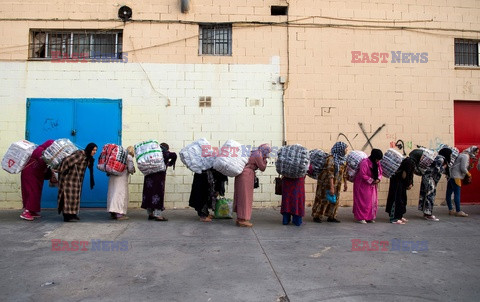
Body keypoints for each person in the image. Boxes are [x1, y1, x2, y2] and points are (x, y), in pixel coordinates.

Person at [57, 143, 97, 222]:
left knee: (75, 198)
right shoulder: (80, 155)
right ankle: (67, 216)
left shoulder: (87, 157)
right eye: (93, 150)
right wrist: (62, 171)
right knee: (67, 198)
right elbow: (66, 161)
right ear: (89, 149)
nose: (94, 152)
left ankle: (73, 214)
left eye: (96, 150)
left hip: (77, 181)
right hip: (69, 180)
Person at [233, 143, 272, 227]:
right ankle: (243, 219)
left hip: (240, 175)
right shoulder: (258, 154)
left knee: (240, 196)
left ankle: (239, 218)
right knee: (246, 197)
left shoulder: (253, 152)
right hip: (246, 176)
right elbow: (262, 167)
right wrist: (265, 159)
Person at [311, 142, 348, 223]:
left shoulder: (343, 160)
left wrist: (345, 183)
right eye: (345, 148)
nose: (346, 150)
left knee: (335, 199)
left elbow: (344, 173)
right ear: (340, 149)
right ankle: (317, 216)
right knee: (323, 199)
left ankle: (331, 216)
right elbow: (330, 173)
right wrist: (331, 187)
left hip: (337, 184)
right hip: (326, 183)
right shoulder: (331, 159)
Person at [19, 140, 54, 221]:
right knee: (31, 191)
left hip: (37, 175)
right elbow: (42, 162)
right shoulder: (40, 150)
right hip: (30, 174)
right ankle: (26, 212)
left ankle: (32, 211)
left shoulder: (43, 151)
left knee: (36, 192)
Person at [141, 143, 177, 221]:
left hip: (148, 177)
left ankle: (150, 214)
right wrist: (170, 163)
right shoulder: (164, 153)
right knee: (157, 194)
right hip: (159, 178)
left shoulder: (151, 152)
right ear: (166, 148)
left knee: (149, 194)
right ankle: (158, 215)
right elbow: (174, 155)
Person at [418, 148, 452, 221]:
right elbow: (436, 170)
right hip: (430, 179)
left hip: (427, 178)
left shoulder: (438, 157)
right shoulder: (441, 159)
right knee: (430, 196)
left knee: (426, 195)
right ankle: (428, 214)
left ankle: (426, 213)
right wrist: (444, 167)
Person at [446, 146, 478, 217]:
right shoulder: (465, 156)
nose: (476, 154)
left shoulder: (462, 154)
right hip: (456, 177)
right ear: (472, 151)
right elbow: (463, 168)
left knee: (449, 192)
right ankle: (458, 211)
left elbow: (464, 168)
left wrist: (471, 164)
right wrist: (469, 175)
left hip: (451, 176)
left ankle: (450, 210)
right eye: (476, 152)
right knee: (457, 193)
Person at [353, 149, 383, 224]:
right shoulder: (365, 162)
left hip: (372, 185)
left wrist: (378, 179)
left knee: (372, 201)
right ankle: (361, 217)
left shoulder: (377, 162)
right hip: (362, 185)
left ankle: (370, 217)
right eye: (377, 159)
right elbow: (363, 174)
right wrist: (371, 180)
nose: (377, 161)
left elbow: (380, 172)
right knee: (363, 201)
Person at [107, 146, 136, 220]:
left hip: (113, 177)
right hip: (121, 178)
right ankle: (119, 214)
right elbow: (130, 168)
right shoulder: (129, 157)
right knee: (120, 195)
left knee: (112, 194)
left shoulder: (117, 157)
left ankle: (112, 213)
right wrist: (133, 170)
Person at [385, 157, 416, 224]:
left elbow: (409, 175)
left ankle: (399, 216)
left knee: (402, 200)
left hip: (401, 185)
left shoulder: (407, 164)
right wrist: (408, 184)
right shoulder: (405, 167)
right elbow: (405, 175)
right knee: (396, 200)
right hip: (397, 185)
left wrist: (409, 183)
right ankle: (394, 218)